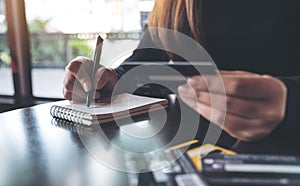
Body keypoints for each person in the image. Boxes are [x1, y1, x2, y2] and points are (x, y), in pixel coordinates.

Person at [63, 0, 300, 141]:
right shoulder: (173, 4)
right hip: (195, 151)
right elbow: (147, 58)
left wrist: (291, 100)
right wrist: (110, 79)